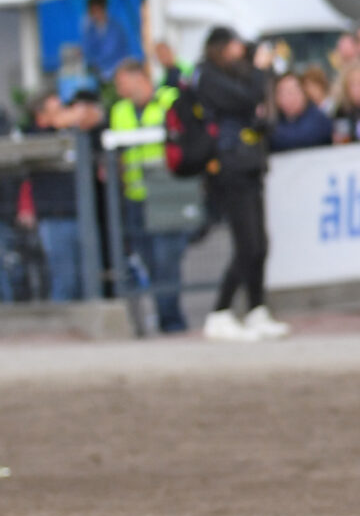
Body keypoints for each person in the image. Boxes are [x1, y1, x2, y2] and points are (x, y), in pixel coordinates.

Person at [194, 27, 287, 341]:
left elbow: (261, 110)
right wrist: (260, 71)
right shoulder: (207, 77)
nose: (241, 51)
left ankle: (257, 308)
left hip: (250, 163)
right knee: (246, 243)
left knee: (259, 243)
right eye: (234, 45)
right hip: (229, 166)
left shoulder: (238, 74)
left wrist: (262, 73)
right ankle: (220, 311)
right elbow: (248, 99)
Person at [108, 58, 190, 334]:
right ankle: (163, 316)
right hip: (136, 195)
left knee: (167, 258)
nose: (118, 88)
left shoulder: (169, 98)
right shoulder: (119, 110)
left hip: (167, 192)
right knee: (149, 260)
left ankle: (171, 320)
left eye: (121, 82)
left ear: (137, 78)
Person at [29, 88, 104, 303]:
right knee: (64, 280)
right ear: (43, 117)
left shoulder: (76, 133)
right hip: (55, 218)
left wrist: (89, 119)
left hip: (84, 215)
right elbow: (33, 140)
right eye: (56, 111)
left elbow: (100, 135)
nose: (65, 114)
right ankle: (64, 332)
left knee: (89, 279)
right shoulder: (37, 135)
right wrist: (59, 123)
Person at [267, 69, 333, 151]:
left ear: (303, 93)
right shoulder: (273, 119)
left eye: (291, 92)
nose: (288, 98)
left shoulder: (318, 118)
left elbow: (305, 138)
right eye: (282, 93)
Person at [75, 0, 139, 78]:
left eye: (96, 10)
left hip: (117, 71)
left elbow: (108, 53)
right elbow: (86, 49)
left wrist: (92, 61)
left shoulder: (115, 28)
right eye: (91, 11)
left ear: (103, 9)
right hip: (101, 74)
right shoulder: (91, 29)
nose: (94, 14)